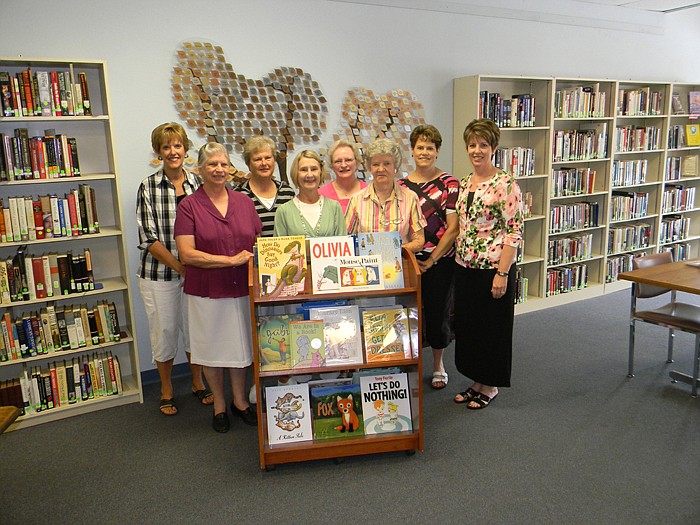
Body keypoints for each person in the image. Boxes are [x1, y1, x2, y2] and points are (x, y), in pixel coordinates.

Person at [174, 142, 262, 433]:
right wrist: (230, 260)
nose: (219, 169)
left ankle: (239, 401)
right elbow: (187, 254)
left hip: (241, 288)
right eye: (212, 164)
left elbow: (257, 242)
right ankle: (219, 406)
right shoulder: (188, 206)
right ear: (200, 169)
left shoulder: (245, 203)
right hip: (206, 291)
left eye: (223, 164)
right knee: (212, 349)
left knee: (239, 348)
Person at [136, 122, 212, 416]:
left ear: (185, 149)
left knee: (195, 330)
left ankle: (197, 382)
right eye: (166, 147)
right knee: (164, 331)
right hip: (160, 275)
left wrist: (199, 264)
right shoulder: (148, 186)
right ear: (158, 152)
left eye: (177, 145)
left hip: (196, 273)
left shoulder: (198, 184)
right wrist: (181, 267)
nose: (172, 151)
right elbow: (148, 238)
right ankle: (166, 388)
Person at [453, 118, 523, 410]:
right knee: (471, 327)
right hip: (465, 267)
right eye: (472, 145)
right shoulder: (466, 182)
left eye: (483, 145)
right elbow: (462, 224)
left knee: (493, 329)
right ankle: (477, 381)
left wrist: (503, 273)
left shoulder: (505, 184)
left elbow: (513, 231)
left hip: (493, 269)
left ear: (493, 148)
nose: (477, 150)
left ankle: (490, 385)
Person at [398, 125, 459, 390]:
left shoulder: (449, 183)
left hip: (439, 260)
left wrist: (432, 258)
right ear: (412, 151)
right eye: (420, 147)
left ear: (437, 151)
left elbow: (453, 227)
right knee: (405, 314)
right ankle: (406, 364)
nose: (425, 152)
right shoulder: (400, 186)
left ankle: (437, 365)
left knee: (437, 313)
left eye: (430, 148)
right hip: (407, 260)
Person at [345, 138, 426, 253]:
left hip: (400, 265)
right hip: (365, 267)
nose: (381, 169)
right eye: (376, 164)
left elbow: (419, 241)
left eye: (387, 164)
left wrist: (394, 250)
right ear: (369, 167)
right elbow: (347, 240)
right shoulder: (356, 200)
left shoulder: (411, 198)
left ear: (395, 166)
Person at [274, 150, 346, 237]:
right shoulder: (283, 212)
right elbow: (280, 249)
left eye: (314, 169)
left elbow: (343, 245)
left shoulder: (334, 208)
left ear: (320, 172)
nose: (309, 175)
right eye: (304, 170)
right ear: (296, 173)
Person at [234, 136, 295, 237]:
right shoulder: (238, 195)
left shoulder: (287, 192)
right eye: (257, 159)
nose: (264, 163)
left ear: (274, 161)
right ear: (248, 164)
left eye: (268, 158)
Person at [318, 139, 367, 214]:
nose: (343, 165)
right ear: (332, 165)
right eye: (338, 161)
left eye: (348, 160)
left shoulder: (369, 192)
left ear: (357, 163)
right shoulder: (321, 195)